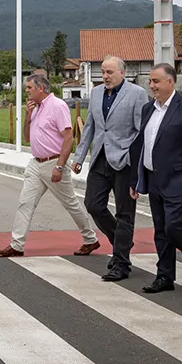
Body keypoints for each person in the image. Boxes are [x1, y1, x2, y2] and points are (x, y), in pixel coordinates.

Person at [0, 73, 101, 257]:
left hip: (53, 162)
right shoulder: (35, 108)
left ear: (40, 88)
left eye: (29, 88)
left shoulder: (57, 106)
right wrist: (28, 117)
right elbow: (28, 138)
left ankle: (90, 239)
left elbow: (68, 138)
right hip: (36, 163)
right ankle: (17, 245)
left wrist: (60, 166)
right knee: (25, 203)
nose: (26, 91)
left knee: (70, 203)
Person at [131, 63, 182, 293]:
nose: (151, 85)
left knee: (173, 225)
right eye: (150, 81)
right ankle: (165, 276)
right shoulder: (149, 109)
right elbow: (142, 146)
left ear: (171, 81)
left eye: (156, 81)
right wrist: (136, 180)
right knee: (160, 228)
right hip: (153, 177)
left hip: (178, 178)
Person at [73, 56, 149, 281]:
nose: (105, 76)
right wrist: (79, 156)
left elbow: (141, 131)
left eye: (109, 72)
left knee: (125, 213)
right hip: (100, 158)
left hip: (125, 161)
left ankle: (121, 263)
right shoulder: (96, 93)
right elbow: (90, 126)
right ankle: (121, 241)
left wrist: (138, 165)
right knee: (93, 205)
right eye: (103, 72)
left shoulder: (137, 94)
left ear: (122, 73)